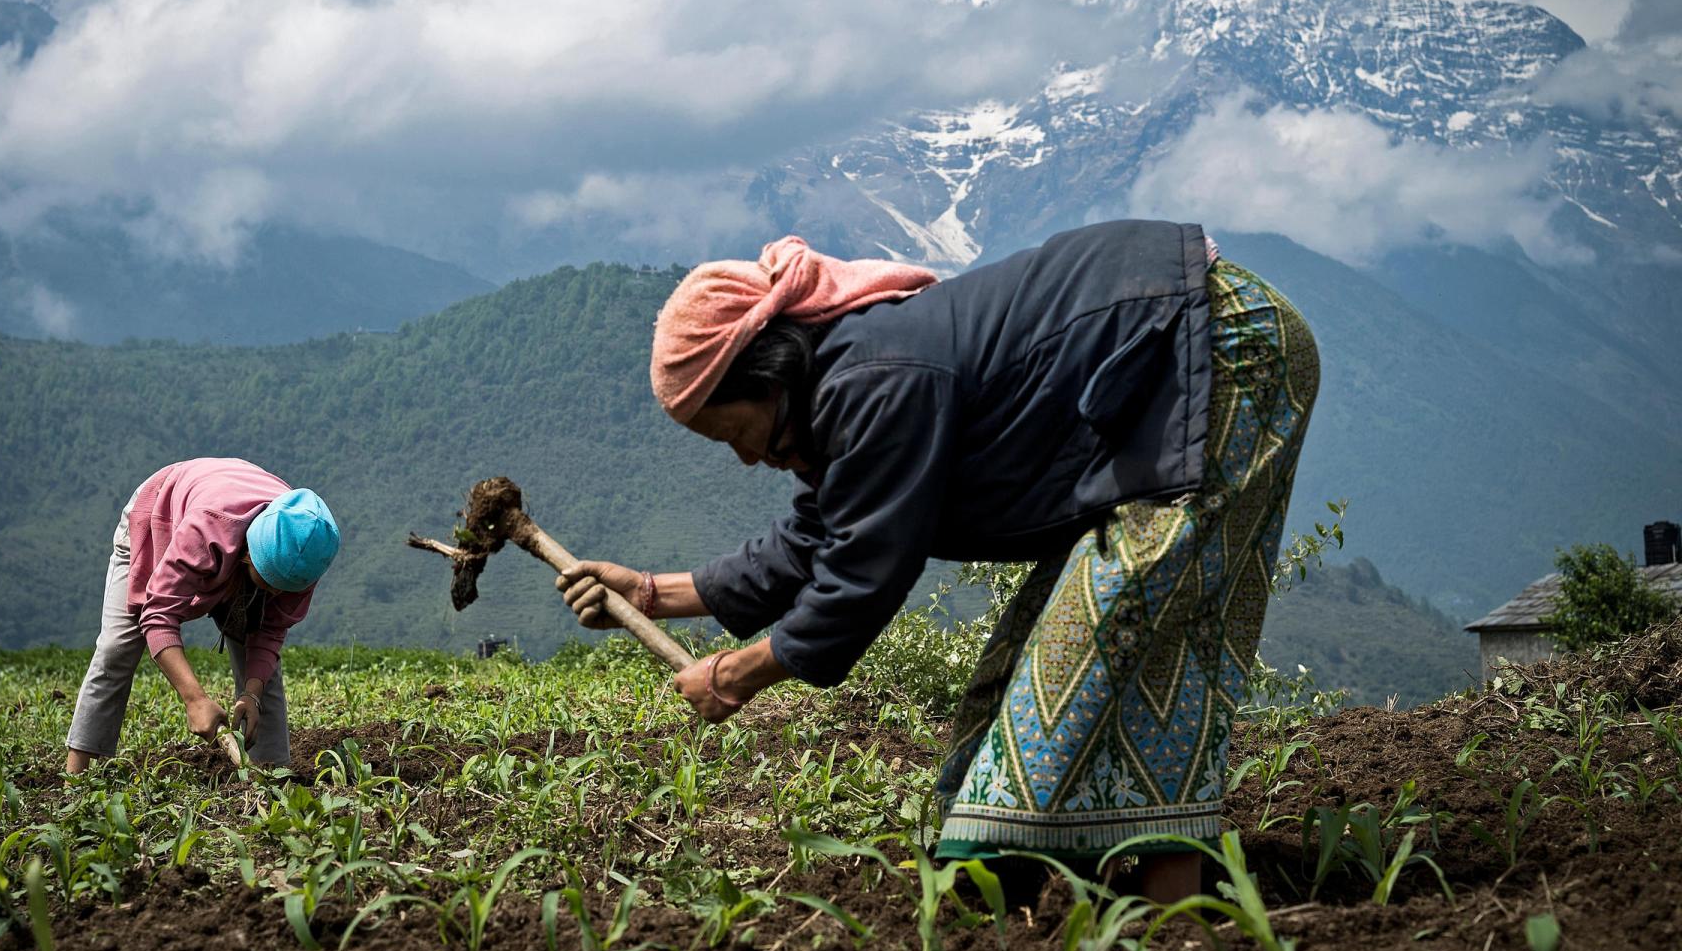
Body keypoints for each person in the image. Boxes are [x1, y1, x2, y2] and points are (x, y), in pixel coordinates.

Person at [555, 220, 1317, 900]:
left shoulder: (873, 380)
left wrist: (736, 673)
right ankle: (1053, 881)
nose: (749, 457)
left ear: (768, 375)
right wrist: (651, 593)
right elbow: (818, 535)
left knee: (1124, 637)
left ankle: (1172, 911)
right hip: (1157, 384)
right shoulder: (844, 388)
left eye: (736, 432)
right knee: (1035, 667)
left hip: (1211, 347)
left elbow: (862, 574)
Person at [63, 457, 340, 774]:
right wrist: (194, 699)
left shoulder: (307, 551)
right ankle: (78, 778)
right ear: (249, 554)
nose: (275, 595)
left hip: (231, 543)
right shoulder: (210, 527)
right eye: (269, 583)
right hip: (159, 519)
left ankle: (272, 775)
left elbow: (270, 632)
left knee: (261, 663)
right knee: (117, 647)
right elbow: (157, 614)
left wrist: (252, 694)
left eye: (283, 589)